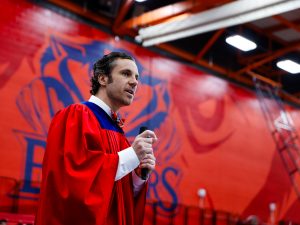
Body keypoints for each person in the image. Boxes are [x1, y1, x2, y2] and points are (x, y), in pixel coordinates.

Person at [35, 52, 157, 225]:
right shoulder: (76, 115)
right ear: (102, 79)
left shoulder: (119, 134)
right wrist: (130, 156)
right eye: (125, 73)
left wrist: (138, 177)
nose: (135, 82)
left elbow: (118, 198)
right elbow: (72, 180)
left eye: (136, 77)